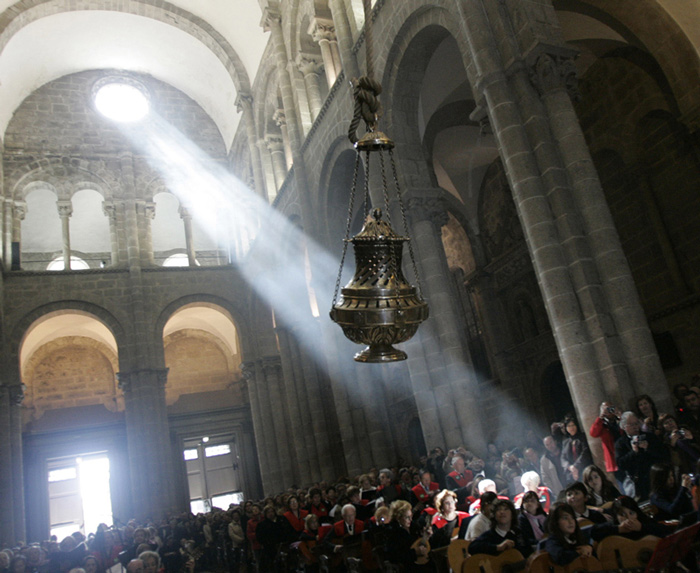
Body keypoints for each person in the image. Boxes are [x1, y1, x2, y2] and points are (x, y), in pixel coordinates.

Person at [615, 411, 668, 500]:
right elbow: (621, 464)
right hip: (639, 482)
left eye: (636, 423)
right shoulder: (620, 443)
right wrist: (633, 452)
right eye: (631, 424)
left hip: (656, 477)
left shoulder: (650, 437)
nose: (635, 427)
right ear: (624, 427)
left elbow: (662, 455)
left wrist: (648, 449)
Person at [591, 496, 672, 541]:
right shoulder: (614, 525)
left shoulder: (643, 521)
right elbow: (594, 531)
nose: (628, 518)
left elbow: (666, 531)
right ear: (616, 516)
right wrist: (618, 529)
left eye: (631, 513)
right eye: (622, 514)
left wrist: (641, 527)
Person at [589, 401, 622, 477]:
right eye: (606, 409)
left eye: (611, 408)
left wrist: (620, 417)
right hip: (614, 458)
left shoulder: (619, 419)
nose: (609, 411)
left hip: (625, 453)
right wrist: (600, 417)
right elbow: (593, 433)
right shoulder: (602, 423)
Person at [561, 415, 593, 483]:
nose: (571, 428)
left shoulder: (582, 437)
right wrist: (570, 467)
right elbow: (562, 457)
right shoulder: (565, 441)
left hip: (584, 469)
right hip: (572, 473)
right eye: (569, 426)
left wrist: (575, 466)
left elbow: (585, 452)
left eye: (573, 425)